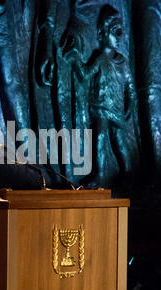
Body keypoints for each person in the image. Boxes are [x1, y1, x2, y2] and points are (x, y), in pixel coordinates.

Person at [66, 5, 135, 188]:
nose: (119, 38)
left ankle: (127, 172)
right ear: (102, 35)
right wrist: (74, 59)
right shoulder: (99, 58)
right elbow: (85, 74)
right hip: (102, 108)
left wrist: (130, 106)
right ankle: (99, 174)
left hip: (116, 110)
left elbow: (130, 89)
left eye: (120, 32)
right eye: (115, 32)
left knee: (119, 142)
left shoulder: (122, 63)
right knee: (100, 138)